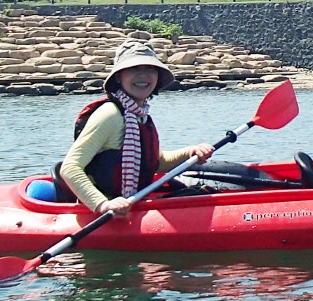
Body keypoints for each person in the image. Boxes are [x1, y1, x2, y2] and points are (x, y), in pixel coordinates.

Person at [58, 39, 214, 216]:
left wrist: (191, 152)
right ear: (119, 76)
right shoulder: (110, 114)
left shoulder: (140, 115)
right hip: (105, 211)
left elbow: (155, 163)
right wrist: (103, 205)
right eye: (134, 69)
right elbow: (70, 167)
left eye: (149, 69)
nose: (143, 76)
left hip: (133, 204)